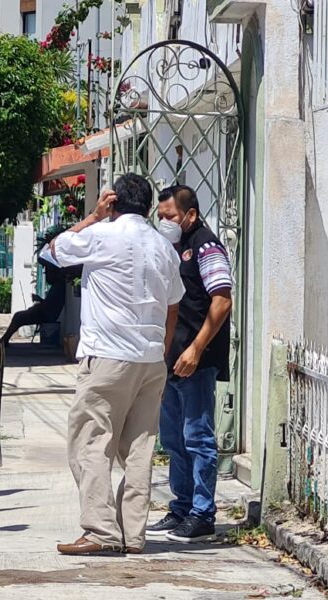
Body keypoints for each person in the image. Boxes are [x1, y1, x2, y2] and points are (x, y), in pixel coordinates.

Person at [52, 174, 184, 555]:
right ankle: (133, 534)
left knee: (91, 443)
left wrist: (93, 217)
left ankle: (100, 531)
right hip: (150, 359)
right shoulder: (164, 247)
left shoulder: (102, 235)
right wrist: (161, 346)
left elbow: (56, 250)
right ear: (147, 207)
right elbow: (174, 302)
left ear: (113, 202)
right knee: (140, 449)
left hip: (108, 357)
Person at [147, 186, 234, 543]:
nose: (165, 222)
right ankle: (181, 508)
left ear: (191, 215)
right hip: (170, 359)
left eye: (170, 215)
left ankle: (202, 514)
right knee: (172, 439)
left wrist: (196, 349)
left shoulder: (206, 246)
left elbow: (222, 300)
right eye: (161, 216)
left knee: (197, 438)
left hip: (195, 360)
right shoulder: (171, 249)